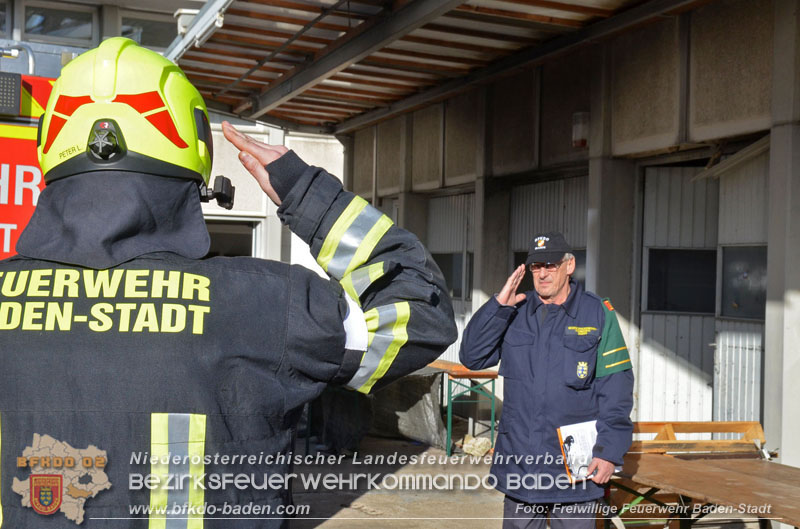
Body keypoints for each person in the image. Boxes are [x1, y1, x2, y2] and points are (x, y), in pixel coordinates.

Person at [0, 37, 456, 528]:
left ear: (50, 150)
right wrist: (307, 195)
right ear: (194, 157)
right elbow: (421, 309)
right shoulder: (265, 304)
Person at [460, 231, 634, 529]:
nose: (542, 274)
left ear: (569, 266)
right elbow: (472, 356)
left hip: (574, 466)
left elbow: (616, 391)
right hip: (521, 461)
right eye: (535, 267)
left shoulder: (598, 314)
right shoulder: (513, 311)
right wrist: (498, 306)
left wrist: (608, 452)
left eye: (550, 265)